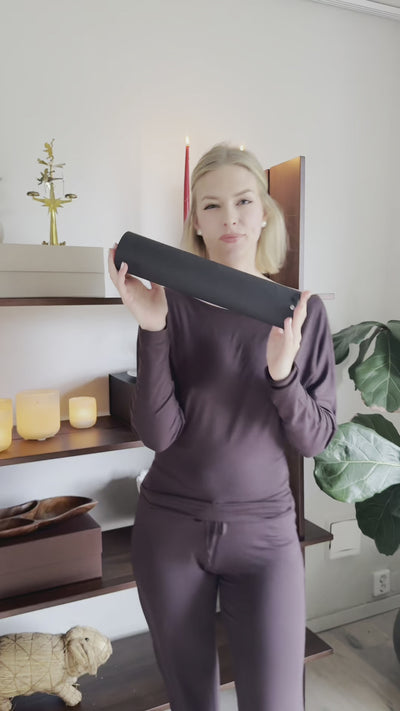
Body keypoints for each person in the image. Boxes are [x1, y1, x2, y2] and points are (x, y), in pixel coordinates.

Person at [108, 143, 337, 711]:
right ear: (196, 222)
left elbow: (315, 439)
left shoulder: (301, 314)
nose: (229, 217)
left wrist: (282, 377)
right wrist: (153, 330)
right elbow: (158, 435)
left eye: (243, 201)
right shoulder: (168, 303)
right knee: (192, 701)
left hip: (266, 535)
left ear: (264, 213)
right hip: (170, 530)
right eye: (211, 206)